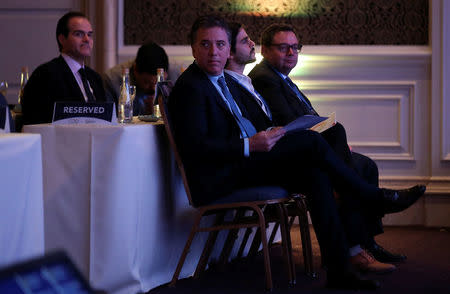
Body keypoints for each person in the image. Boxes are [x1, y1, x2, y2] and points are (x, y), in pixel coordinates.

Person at [169, 15, 425, 290]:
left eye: (220, 44)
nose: (214, 51)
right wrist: (249, 145)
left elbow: (243, 124)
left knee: (316, 174)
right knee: (311, 143)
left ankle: (340, 272)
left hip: (244, 163)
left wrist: (268, 135)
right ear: (193, 48)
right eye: (205, 44)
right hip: (219, 177)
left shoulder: (223, 81)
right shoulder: (190, 87)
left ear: (227, 49)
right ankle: (374, 197)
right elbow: (195, 148)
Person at [224, 22, 399, 274]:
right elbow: (287, 123)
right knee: (341, 163)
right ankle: (354, 246)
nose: (291, 53)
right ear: (265, 50)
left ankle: (365, 243)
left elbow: (309, 118)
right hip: (280, 156)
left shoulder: (281, 79)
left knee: (364, 165)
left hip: (298, 149)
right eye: (284, 47)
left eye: (295, 47)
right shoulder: (264, 78)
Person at [21, 11, 107, 125]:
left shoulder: (95, 78)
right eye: (79, 34)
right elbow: (34, 121)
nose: (87, 39)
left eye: (89, 34)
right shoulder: (45, 74)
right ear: (62, 39)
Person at [103, 42, 169, 115]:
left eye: (158, 83)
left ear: (166, 73)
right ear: (135, 70)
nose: (153, 89)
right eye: (146, 82)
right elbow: (110, 120)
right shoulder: (112, 81)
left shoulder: (176, 76)